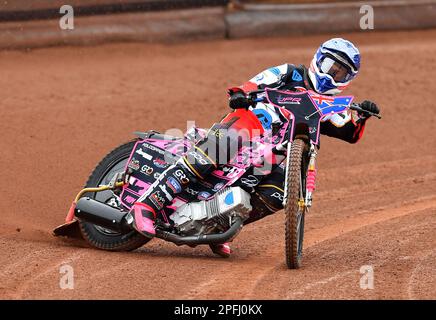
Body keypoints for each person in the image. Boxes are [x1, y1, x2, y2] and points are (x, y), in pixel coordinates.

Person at [129, 38, 380, 258]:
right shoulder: (291, 73)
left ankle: (220, 230)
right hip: (250, 125)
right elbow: (253, 84)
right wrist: (242, 94)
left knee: (277, 193)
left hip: (276, 152)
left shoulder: (331, 105)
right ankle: (148, 204)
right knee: (215, 151)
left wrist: (364, 116)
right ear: (318, 60)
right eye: (330, 66)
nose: (332, 75)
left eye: (341, 73)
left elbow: (349, 133)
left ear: (348, 79)